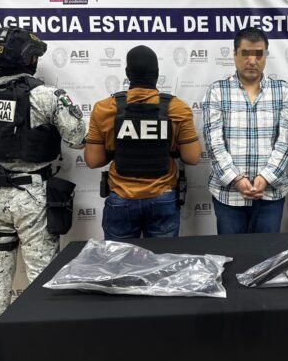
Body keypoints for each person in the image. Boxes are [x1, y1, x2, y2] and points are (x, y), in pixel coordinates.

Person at [0, 27, 86, 339]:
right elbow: (78, 138)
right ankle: (43, 344)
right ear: (31, 59)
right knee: (42, 275)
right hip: (31, 196)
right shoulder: (47, 96)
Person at [85, 45, 201, 239]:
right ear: (157, 73)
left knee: (119, 258)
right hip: (163, 197)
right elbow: (193, 157)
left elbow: (93, 161)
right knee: (162, 257)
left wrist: (119, 149)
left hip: (121, 199)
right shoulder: (177, 108)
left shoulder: (104, 108)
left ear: (127, 73)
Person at [202, 27, 288, 234]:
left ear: (266, 56)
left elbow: (286, 141)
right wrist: (237, 179)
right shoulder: (217, 91)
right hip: (228, 194)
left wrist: (266, 177)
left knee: (268, 251)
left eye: (259, 54)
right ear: (234, 54)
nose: (252, 61)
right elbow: (213, 142)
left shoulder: (282, 91)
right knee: (232, 251)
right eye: (245, 54)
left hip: (271, 193)